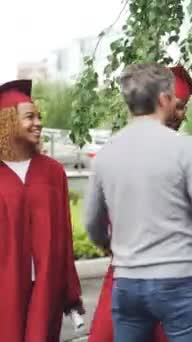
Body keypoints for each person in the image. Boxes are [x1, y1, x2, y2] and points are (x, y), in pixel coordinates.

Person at [85, 63, 192, 342]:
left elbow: (94, 223)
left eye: (185, 107)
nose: (182, 114)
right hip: (177, 281)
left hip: (127, 278)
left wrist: (113, 246)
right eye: (178, 106)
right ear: (163, 101)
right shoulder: (190, 153)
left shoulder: (110, 152)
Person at [0, 79, 83, 341]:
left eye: (39, 116)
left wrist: (71, 292)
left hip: (45, 286)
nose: (38, 123)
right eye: (29, 117)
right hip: (5, 286)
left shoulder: (52, 171)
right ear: (7, 121)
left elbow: (65, 237)